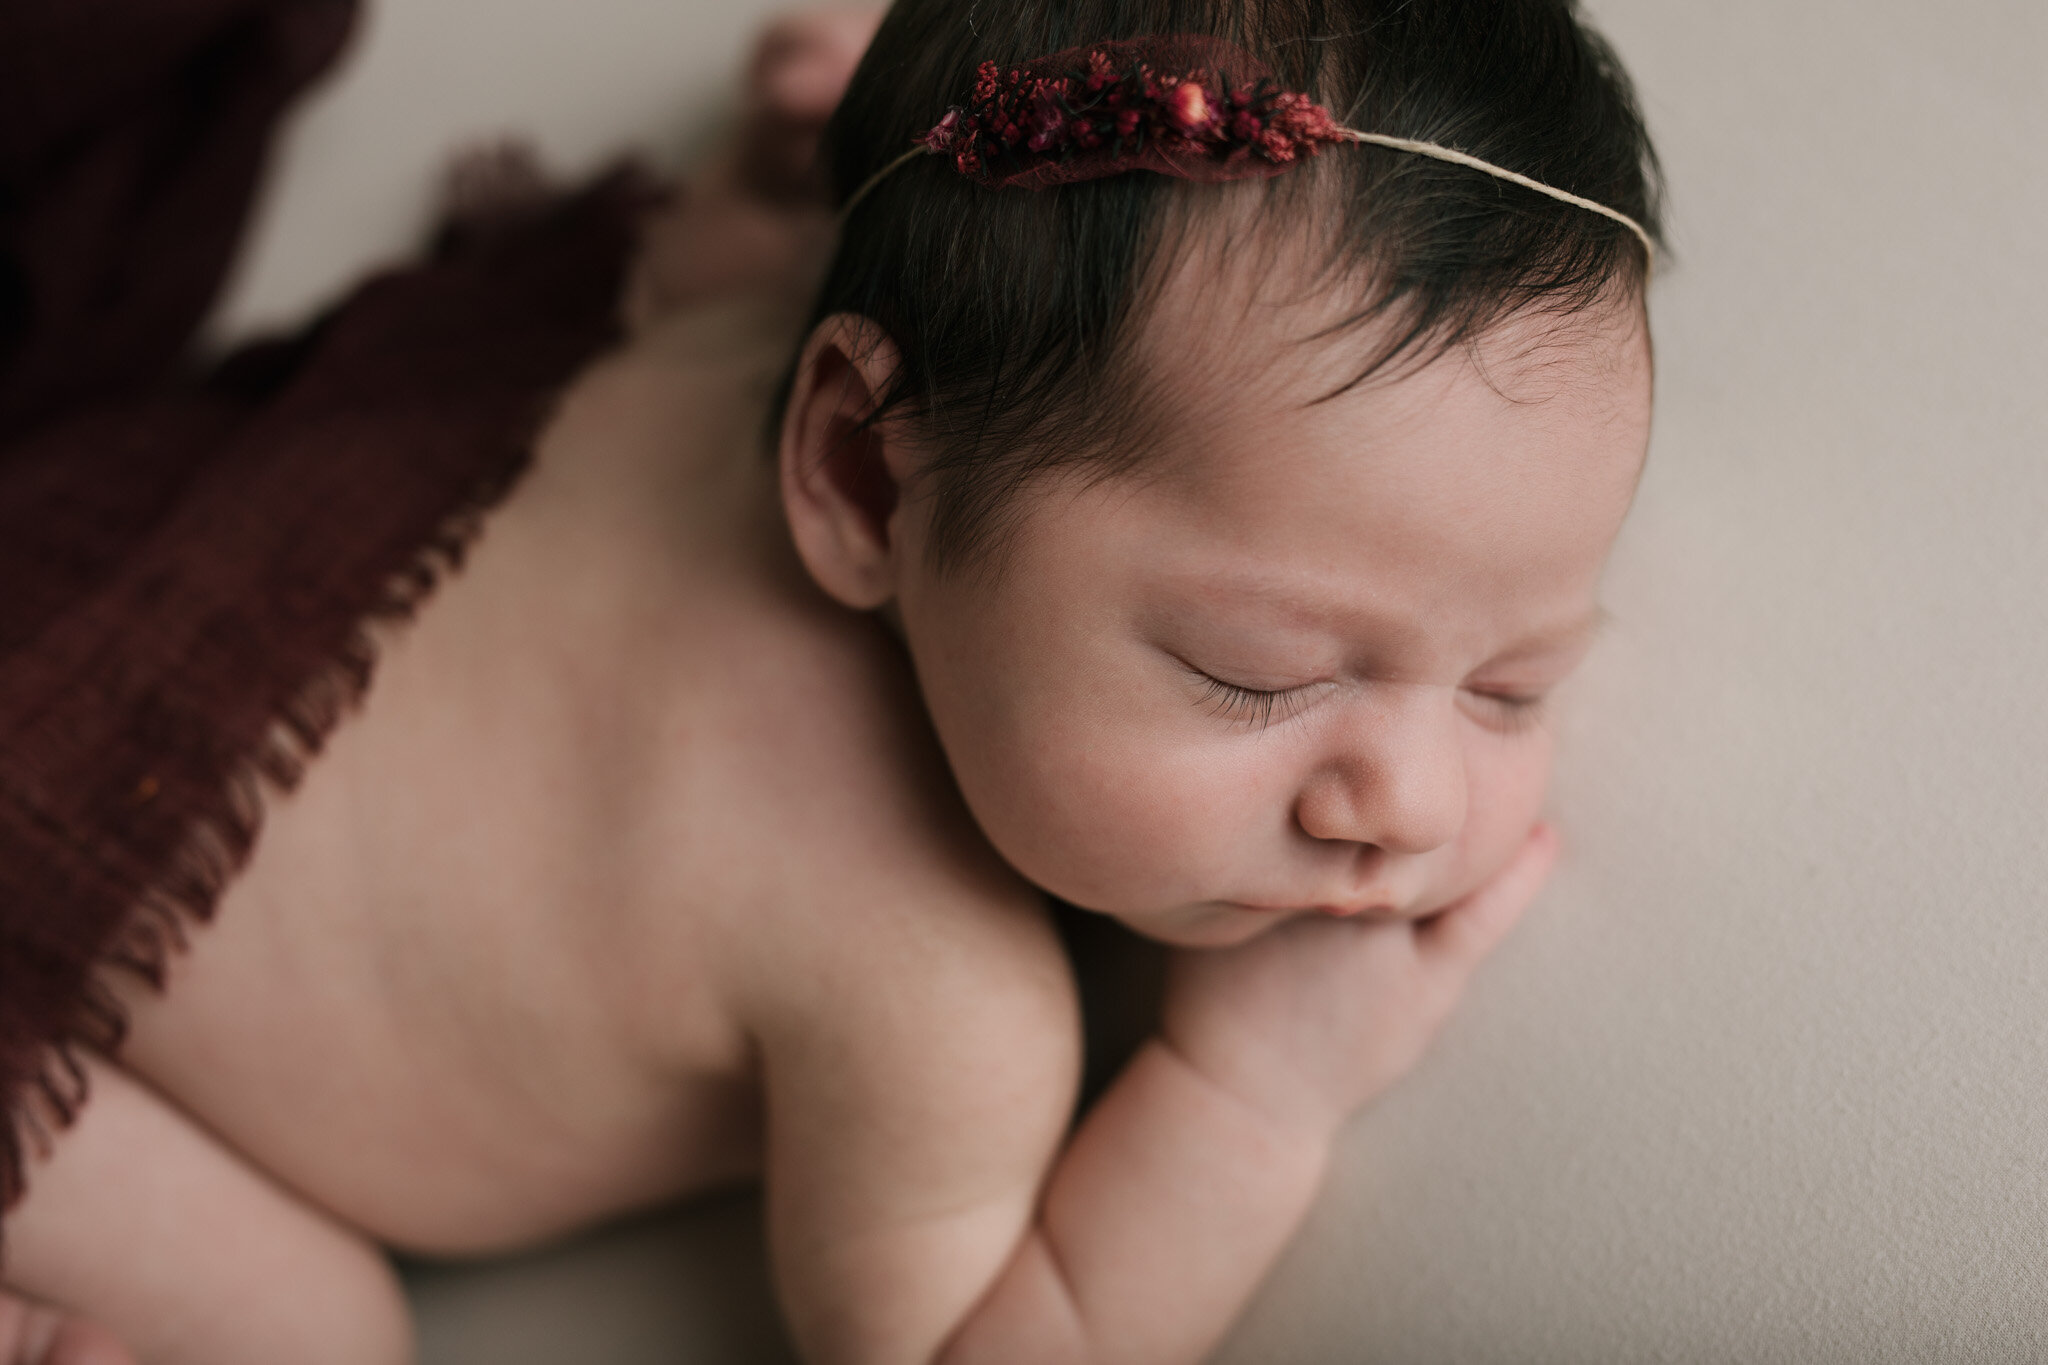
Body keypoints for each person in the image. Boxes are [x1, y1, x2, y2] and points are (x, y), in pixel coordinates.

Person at [0, 0, 1662, 1360]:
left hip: (83, 577)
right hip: (65, 1008)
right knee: (306, 1339)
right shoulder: (928, 993)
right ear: (858, 478)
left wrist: (870, 130)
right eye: (1259, 671)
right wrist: (1249, 1096)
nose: (1416, 801)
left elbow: (800, 228)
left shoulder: (758, 314)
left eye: (1513, 684)